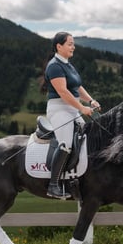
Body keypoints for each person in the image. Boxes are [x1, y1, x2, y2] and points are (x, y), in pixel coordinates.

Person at [42, 31, 100, 199]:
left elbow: (77, 87)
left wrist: (90, 101)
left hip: (72, 108)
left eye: (73, 44)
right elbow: (63, 92)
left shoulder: (67, 64)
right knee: (66, 143)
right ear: (59, 46)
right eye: (70, 44)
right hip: (59, 109)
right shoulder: (54, 66)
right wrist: (82, 109)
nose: (73, 47)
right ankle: (53, 185)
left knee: (86, 139)